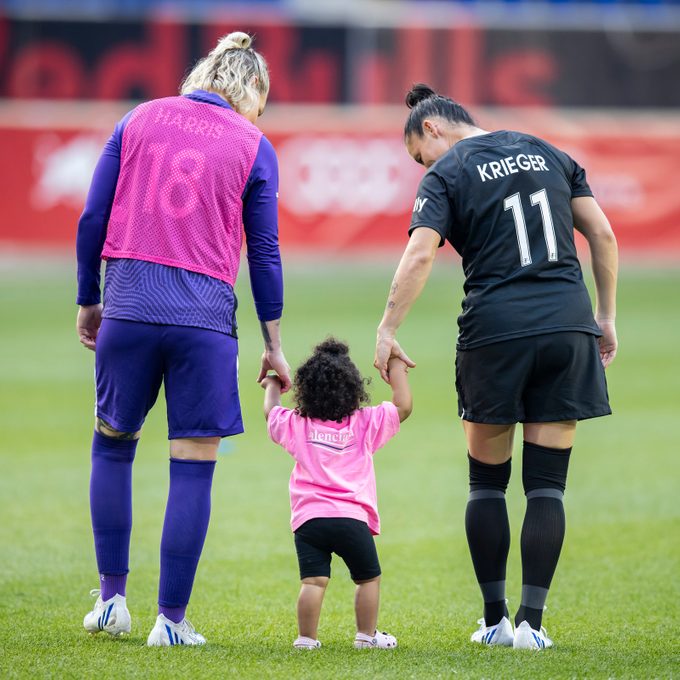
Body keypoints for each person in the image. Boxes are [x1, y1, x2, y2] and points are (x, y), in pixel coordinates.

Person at [374, 84, 617, 650]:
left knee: (486, 482)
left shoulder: (448, 172)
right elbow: (602, 233)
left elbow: (421, 250)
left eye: (418, 154)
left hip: (495, 334)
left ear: (431, 127)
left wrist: (387, 328)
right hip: (566, 326)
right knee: (548, 486)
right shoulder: (549, 152)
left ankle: (495, 621)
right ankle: (533, 625)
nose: (421, 166)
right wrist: (605, 315)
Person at [75, 32, 291, 647]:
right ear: (250, 91)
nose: (261, 115)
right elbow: (265, 253)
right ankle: (170, 621)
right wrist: (272, 340)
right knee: (193, 468)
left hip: (130, 308)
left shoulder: (138, 117)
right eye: (262, 103)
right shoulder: (254, 145)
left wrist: (89, 298)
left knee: (112, 446)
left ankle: (112, 601)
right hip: (205, 321)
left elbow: (93, 216)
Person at [262, 338, 412, 650]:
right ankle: (366, 637)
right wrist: (396, 366)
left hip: (309, 522)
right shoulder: (365, 422)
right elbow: (403, 406)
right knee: (367, 578)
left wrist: (273, 382)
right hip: (351, 519)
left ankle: (306, 639)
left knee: (313, 582)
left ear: (305, 389)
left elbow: (272, 412)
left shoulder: (297, 424)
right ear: (354, 388)